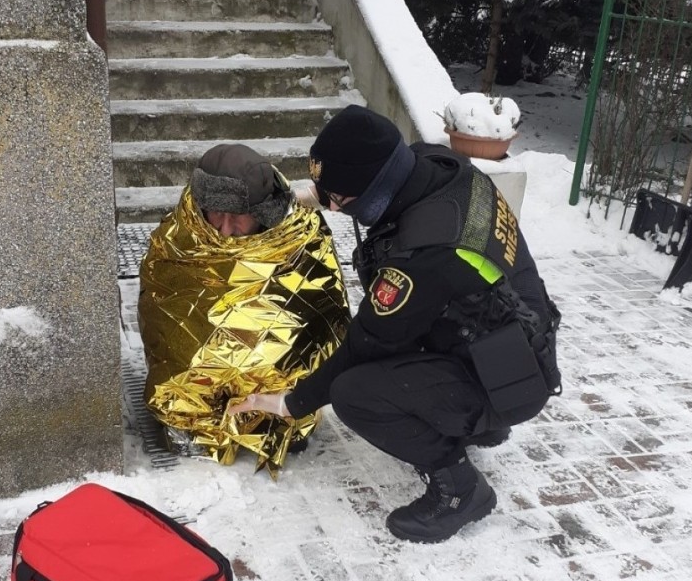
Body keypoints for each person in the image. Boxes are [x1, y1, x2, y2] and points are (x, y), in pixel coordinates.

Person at [229, 106, 561, 542]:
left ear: (375, 194)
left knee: (356, 393)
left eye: (338, 201)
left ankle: (461, 490)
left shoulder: (423, 254)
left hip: (512, 380)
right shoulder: (438, 168)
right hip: (515, 338)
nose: (330, 206)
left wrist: (291, 403)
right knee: (433, 325)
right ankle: (481, 422)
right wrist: (308, 197)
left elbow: (364, 343)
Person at [137, 143, 350, 474]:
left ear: (262, 212)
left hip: (277, 379)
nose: (224, 230)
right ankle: (193, 417)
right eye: (215, 215)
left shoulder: (299, 235)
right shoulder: (177, 239)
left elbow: (323, 313)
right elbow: (162, 316)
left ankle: (281, 413)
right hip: (199, 380)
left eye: (237, 218)